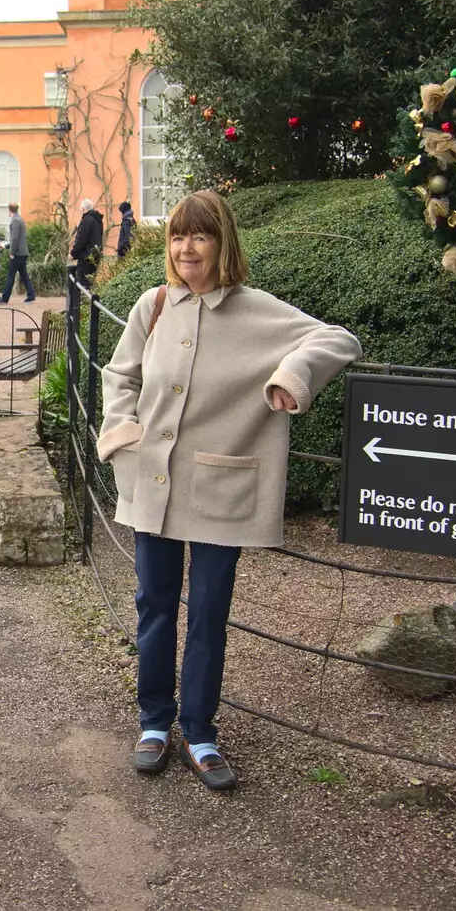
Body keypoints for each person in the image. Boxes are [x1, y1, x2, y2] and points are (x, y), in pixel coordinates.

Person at [97, 190, 361, 790]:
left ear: (223, 243)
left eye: (200, 236)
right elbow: (120, 374)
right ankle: (155, 724)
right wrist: (122, 432)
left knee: (209, 614)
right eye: (177, 237)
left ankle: (202, 731)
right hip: (153, 482)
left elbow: (338, 340)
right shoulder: (153, 304)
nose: (186, 248)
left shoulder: (257, 310)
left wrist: (291, 378)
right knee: (154, 607)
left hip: (219, 488)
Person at [0, 203, 35, 303]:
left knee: (11, 275)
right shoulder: (21, 220)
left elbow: (15, 238)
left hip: (17, 253)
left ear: (9, 210)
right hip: (23, 252)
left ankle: (5, 298)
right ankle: (31, 295)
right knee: (24, 275)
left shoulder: (15, 221)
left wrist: (12, 252)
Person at [71, 198, 104, 290]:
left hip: (86, 256)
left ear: (83, 209)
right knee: (90, 283)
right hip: (95, 255)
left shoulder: (86, 221)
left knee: (82, 284)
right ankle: (88, 302)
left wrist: (73, 253)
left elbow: (80, 240)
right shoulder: (98, 221)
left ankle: (81, 303)